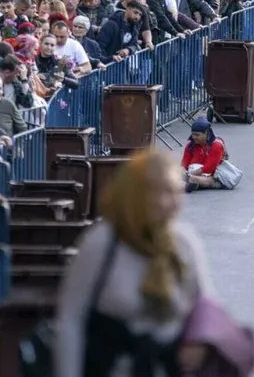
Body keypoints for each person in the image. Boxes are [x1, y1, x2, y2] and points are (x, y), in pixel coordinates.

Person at [54, 150, 213, 377]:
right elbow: (71, 319)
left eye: (175, 192)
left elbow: (205, 312)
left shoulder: (184, 244)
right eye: (160, 192)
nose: (169, 202)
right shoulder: (102, 242)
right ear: (134, 194)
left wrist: (201, 342)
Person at [181, 117, 241, 193]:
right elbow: (184, 163)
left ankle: (192, 181)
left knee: (201, 179)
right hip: (193, 173)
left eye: (197, 135)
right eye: (193, 134)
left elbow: (208, 168)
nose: (194, 137)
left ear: (206, 133)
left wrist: (189, 175)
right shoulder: (190, 145)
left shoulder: (216, 145)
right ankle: (190, 183)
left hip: (214, 177)